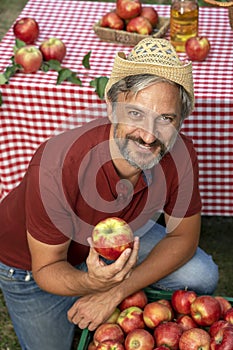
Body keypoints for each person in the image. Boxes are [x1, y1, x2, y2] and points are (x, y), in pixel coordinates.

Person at [0, 38, 218, 350]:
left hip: (115, 239)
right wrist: (90, 283)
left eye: (166, 119)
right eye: (136, 113)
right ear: (111, 108)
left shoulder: (179, 154)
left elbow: (183, 238)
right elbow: (46, 268)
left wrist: (113, 292)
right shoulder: (57, 165)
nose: (148, 134)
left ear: (180, 122)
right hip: (32, 265)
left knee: (201, 274)